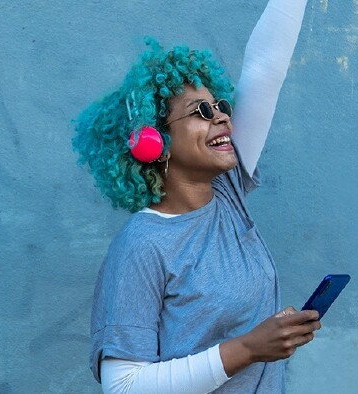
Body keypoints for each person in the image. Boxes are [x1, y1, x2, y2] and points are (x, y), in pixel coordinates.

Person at [72, 0, 320, 393]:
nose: (222, 115)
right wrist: (249, 348)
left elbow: (265, 68)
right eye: (201, 111)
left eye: (220, 105)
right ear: (156, 142)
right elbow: (122, 386)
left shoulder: (228, 194)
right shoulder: (142, 246)